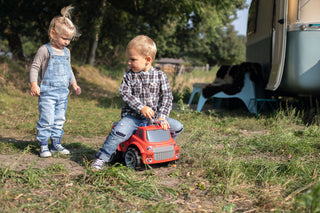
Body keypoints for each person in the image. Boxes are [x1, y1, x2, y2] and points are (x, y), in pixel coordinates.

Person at [92, 35, 184, 170]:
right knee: (118, 132)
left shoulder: (160, 76)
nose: (129, 63)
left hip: (155, 118)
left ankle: (164, 146)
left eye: (133, 59)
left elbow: (167, 97)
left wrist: (162, 117)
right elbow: (125, 93)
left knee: (177, 126)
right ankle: (102, 157)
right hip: (133, 117)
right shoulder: (129, 76)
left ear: (147, 60)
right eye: (128, 59)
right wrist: (141, 107)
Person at [29, 5, 81, 158]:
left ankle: (55, 144)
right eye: (64, 38)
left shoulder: (67, 52)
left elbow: (68, 69)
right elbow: (35, 67)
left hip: (62, 93)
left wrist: (74, 83)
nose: (67, 42)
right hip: (47, 93)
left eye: (69, 39)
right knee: (46, 119)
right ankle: (43, 145)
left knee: (59, 119)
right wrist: (34, 84)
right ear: (53, 33)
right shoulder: (44, 50)